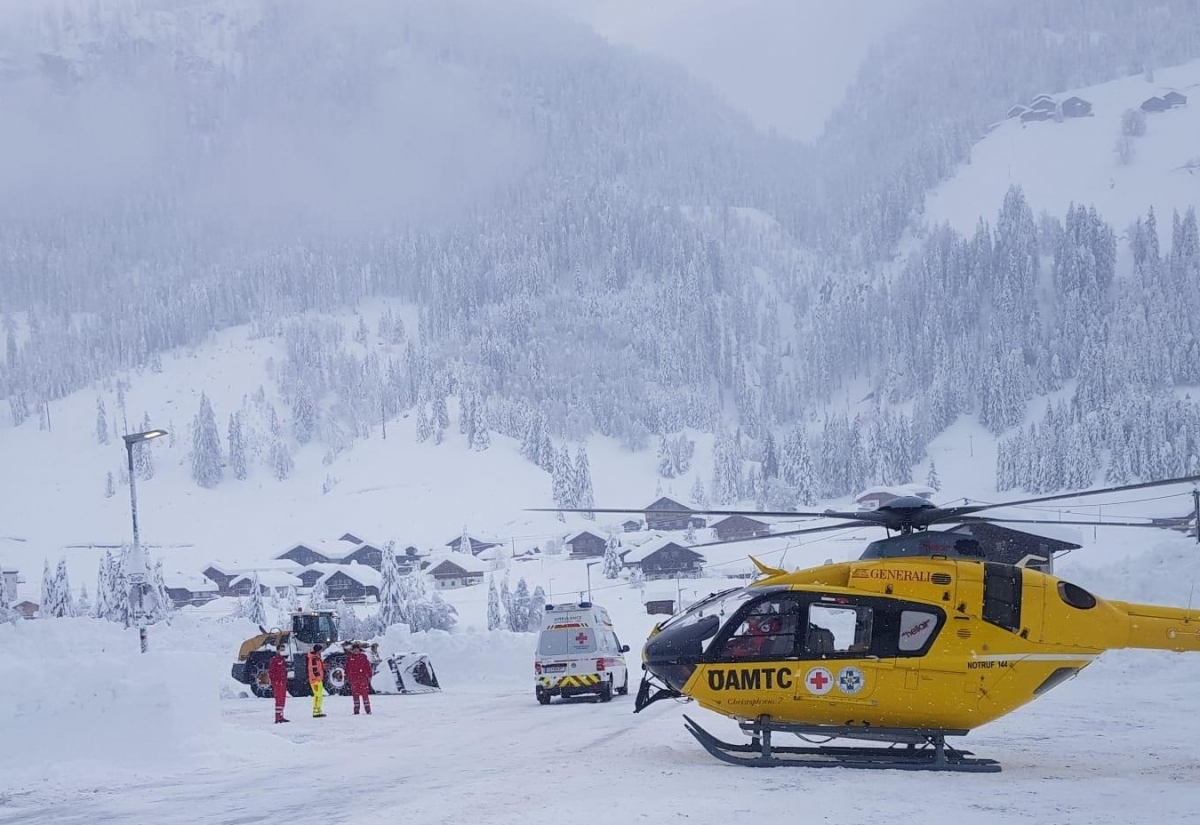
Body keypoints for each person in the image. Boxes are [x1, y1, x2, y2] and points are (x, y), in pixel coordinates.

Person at [346, 643, 373, 715]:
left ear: (359, 650)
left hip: (362, 679)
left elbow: (368, 667)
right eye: (354, 650)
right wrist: (347, 677)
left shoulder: (363, 657)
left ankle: (368, 710)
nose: (356, 651)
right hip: (354, 680)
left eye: (357, 649)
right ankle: (356, 711)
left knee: (365, 695)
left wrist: (370, 676)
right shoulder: (350, 658)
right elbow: (347, 669)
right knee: (355, 696)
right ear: (352, 650)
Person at [269, 646, 290, 724]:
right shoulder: (275, 660)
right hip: (278, 682)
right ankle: (278, 717)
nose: (283, 651)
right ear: (277, 650)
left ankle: (280, 716)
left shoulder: (282, 660)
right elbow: (271, 672)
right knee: (279, 699)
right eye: (281, 650)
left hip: (282, 682)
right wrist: (275, 681)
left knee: (282, 699)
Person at [306, 644, 327, 718]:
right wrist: (318, 676)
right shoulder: (314, 658)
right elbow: (314, 668)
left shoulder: (317, 658)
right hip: (315, 680)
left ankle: (318, 710)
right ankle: (316, 711)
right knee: (317, 695)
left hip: (318, 679)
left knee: (319, 695)